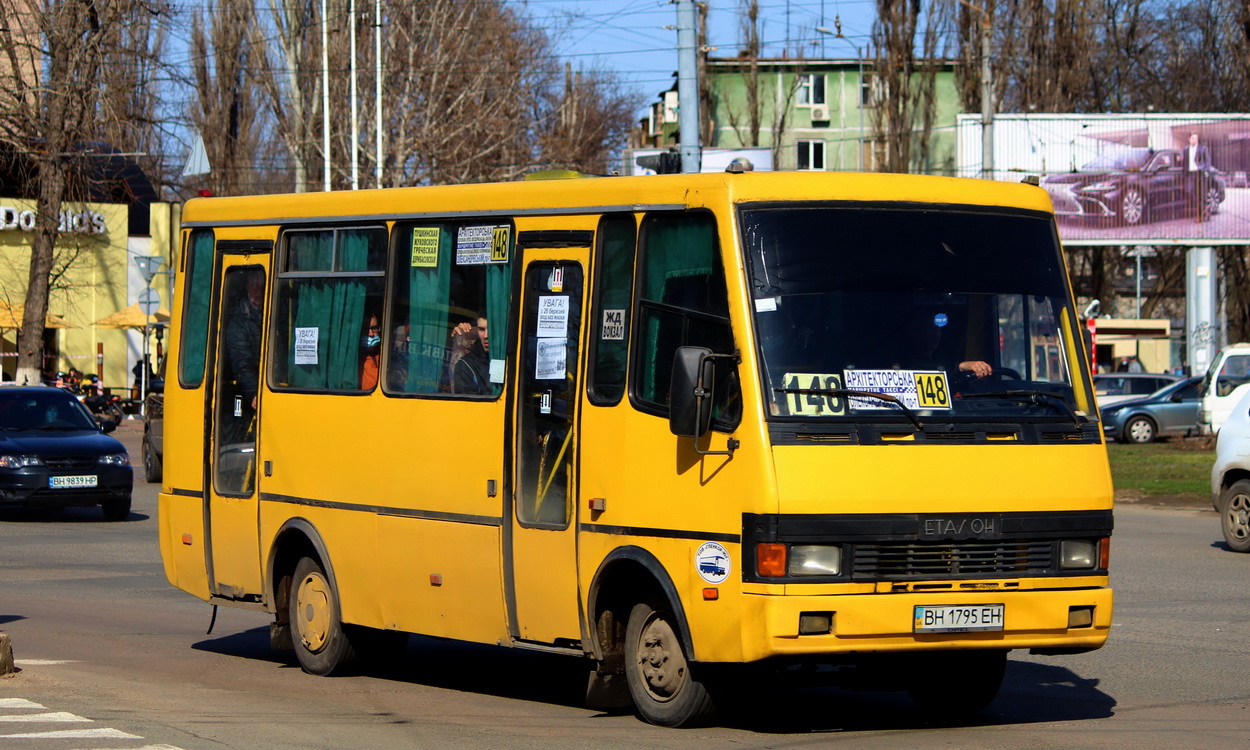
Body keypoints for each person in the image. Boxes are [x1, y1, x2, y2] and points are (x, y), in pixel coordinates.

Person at [224, 269, 264, 410]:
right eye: (254, 285)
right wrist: (254, 392)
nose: (258, 291)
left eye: (261, 285)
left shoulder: (280, 312)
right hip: (250, 396)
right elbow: (242, 362)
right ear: (247, 286)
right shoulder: (238, 323)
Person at [450, 313, 491, 395]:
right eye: (481, 329)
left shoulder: (516, 358)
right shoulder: (466, 366)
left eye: (491, 329)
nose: (486, 335)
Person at [1184, 132, 1212, 223]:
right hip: (1190, 174)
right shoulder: (1186, 149)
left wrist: (1206, 171)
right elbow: (1185, 163)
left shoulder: (1202, 148)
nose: (1195, 140)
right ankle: (1206, 211)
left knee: (1201, 195)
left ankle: (1200, 216)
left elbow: (1207, 161)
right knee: (1191, 193)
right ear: (1189, 139)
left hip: (1199, 174)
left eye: (1196, 138)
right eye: (1193, 138)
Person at [360, 314, 381, 390]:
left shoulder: (385, 355)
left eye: (374, 328)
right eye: (366, 329)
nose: (371, 334)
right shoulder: (353, 359)